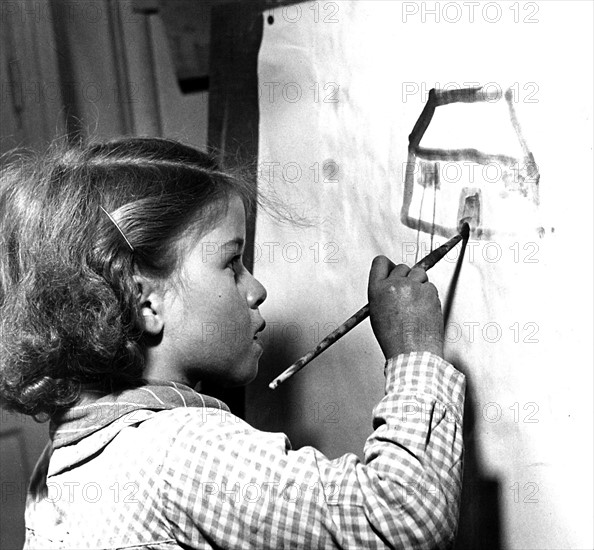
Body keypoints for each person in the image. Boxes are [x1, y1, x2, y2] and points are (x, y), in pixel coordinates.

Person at [0, 137, 465, 549]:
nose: (256, 289)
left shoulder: (61, 457)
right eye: (232, 262)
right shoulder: (180, 454)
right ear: (146, 304)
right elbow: (403, 517)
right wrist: (414, 353)